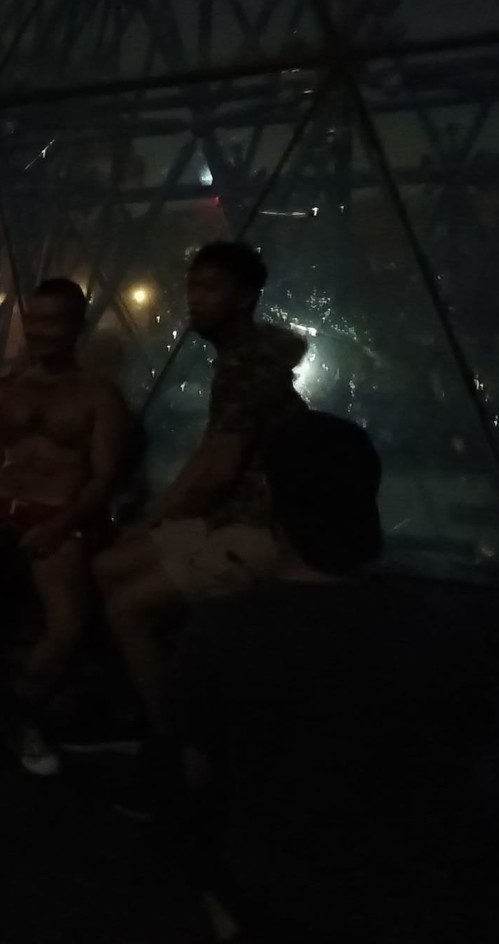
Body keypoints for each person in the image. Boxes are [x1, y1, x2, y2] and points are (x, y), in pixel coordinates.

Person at [170, 411, 488, 943]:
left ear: (271, 502)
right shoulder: (442, 627)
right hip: (411, 897)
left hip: (276, 896)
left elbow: (195, 773)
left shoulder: (225, 631)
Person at [93, 242, 307, 731]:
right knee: (106, 566)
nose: (195, 297)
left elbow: (220, 472)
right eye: (192, 286)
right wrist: (154, 518)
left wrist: (156, 519)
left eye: (210, 287)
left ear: (244, 297)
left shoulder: (246, 366)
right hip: (229, 516)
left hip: (258, 528)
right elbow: (211, 454)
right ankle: (147, 693)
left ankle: (174, 738)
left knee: (127, 611)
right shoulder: (241, 359)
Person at [0, 278, 130, 773]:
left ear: (76, 327)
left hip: (53, 514)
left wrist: (61, 525)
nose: (40, 332)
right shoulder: (6, 391)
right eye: (34, 321)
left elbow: (104, 477)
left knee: (67, 622)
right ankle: (2, 712)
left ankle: (12, 712)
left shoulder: (98, 395)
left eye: (53, 321)